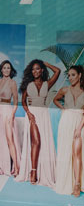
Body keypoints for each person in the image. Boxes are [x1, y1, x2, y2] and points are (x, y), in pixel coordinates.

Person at [17, 59, 60, 187]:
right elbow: (23, 101)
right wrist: (28, 113)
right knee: (36, 141)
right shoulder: (28, 83)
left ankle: (41, 171)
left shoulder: (47, 83)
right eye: (33, 69)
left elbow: (57, 71)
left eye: (37, 69)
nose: (35, 71)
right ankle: (33, 171)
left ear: (41, 71)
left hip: (44, 115)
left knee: (43, 142)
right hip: (32, 114)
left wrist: (45, 63)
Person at [53, 65, 84, 197]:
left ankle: (77, 185)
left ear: (80, 75)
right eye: (68, 75)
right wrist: (63, 109)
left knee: (77, 154)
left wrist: (79, 128)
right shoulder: (64, 89)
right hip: (66, 122)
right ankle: (66, 181)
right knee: (65, 152)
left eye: (73, 75)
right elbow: (55, 99)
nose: (70, 78)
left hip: (79, 123)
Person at [0, 59, 20, 177]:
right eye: (4, 67)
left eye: (8, 68)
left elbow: (16, 102)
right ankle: (2, 166)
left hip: (7, 111)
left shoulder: (13, 83)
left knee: (9, 140)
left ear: (11, 70)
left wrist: (12, 115)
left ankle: (16, 168)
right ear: (1, 70)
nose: (6, 70)